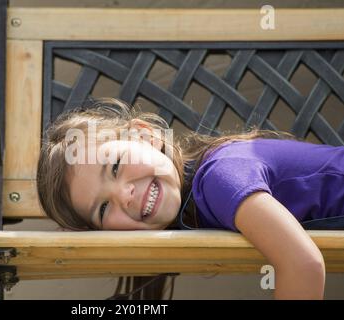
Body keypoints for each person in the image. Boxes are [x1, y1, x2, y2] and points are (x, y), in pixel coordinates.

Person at [36, 97, 344, 300]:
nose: (124, 196)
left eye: (115, 167)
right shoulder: (189, 208)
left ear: (147, 135)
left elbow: (303, 265)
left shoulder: (219, 177)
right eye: (102, 209)